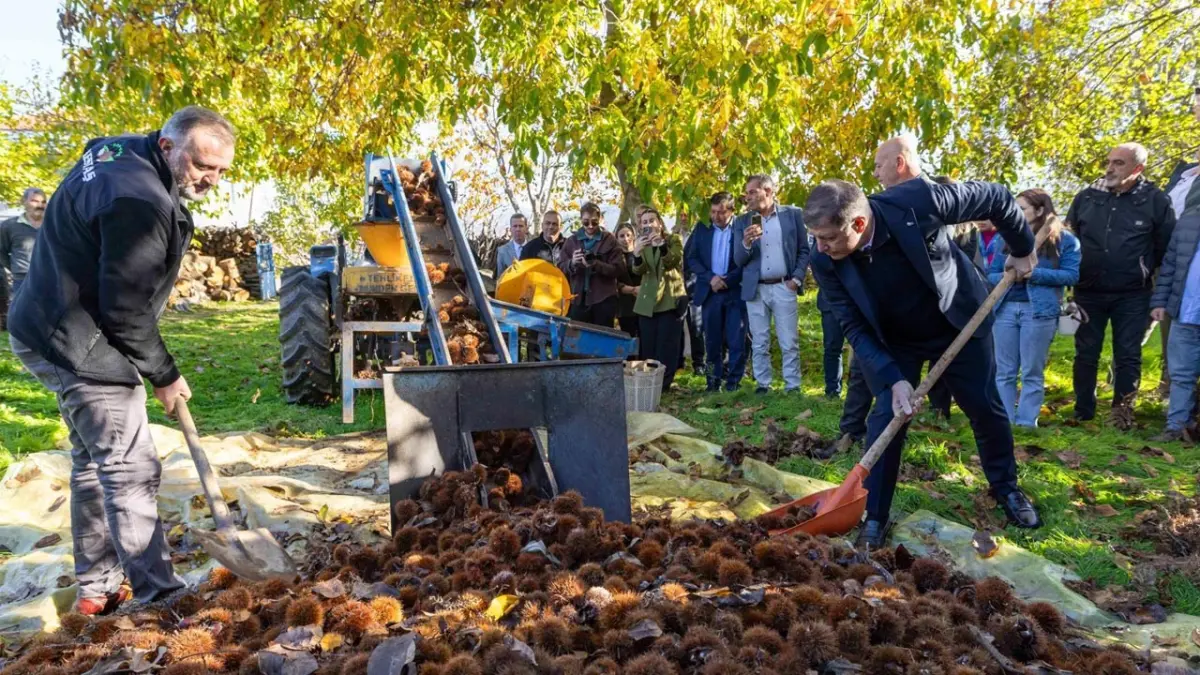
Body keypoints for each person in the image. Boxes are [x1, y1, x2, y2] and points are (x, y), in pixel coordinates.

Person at [7, 105, 236, 613]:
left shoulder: (116, 149)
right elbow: (125, 308)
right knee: (130, 463)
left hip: (43, 323)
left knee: (95, 461)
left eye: (221, 171)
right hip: (76, 340)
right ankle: (159, 595)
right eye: (202, 166)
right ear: (168, 146)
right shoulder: (139, 200)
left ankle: (97, 589)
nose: (211, 180)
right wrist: (164, 374)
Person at [805, 177, 1042, 548]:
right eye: (816, 238)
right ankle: (875, 514)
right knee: (887, 416)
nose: (819, 247)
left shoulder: (920, 200)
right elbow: (853, 324)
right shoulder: (823, 258)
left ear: (859, 224)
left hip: (957, 321)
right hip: (895, 340)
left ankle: (1005, 488)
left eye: (828, 239)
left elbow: (995, 197)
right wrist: (892, 379)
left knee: (984, 406)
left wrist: (1023, 246)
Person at [1067, 142, 1175, 426]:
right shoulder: (1087, 197)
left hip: (1133, 294)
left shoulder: (1156, 201)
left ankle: (1122, 413)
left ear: (1138, 169)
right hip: (1088, 290)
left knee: (1128, 354)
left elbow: (1165, 250)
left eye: (1119, 163)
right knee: (1085, 352)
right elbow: (1069, 240)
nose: (1110, 168)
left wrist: (1159, 294)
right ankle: (1083, 411)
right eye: (1109, 161)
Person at [987, 189, 1081, 427]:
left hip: (1039, 312)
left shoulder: (1065, 240)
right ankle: (1003, 421)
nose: (1016, 213)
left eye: (1022, 209)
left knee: (1031, 371)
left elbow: (1071, 275)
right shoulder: (1004, 238)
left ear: (1040, 210)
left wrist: (1033, 274)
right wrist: (1009, 274)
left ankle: (1027, 422)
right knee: (1004, 371)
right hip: (1005, 309)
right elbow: (990, 274)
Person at [733, 174, 809, 394]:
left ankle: (793, 386)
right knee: (759, 340)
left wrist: (796, 279)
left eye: (751, 192)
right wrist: (746, 243)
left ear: (767, 191)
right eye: (746, 193)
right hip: (755, 288)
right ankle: (763, 384)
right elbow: (738, 260)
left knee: (789, 340)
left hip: (784, 285)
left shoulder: (793, 215)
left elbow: (804, 249)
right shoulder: (742, 221)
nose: (747, 197)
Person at [1149, 147, 1200, 441]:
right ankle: (1175, 427)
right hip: (1185, 308)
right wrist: (1160, 302)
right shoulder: (1188, 221)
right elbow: (1169, 263)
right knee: (1181, 373)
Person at [686, 192, 747, 392]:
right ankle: (712, 381)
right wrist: (710, 277)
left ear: (732, 211)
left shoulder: (741, 228)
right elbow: (692, 258)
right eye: (713, 212)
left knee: (736, 340)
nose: (716, 216)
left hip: (734, 291)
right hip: (710, 292)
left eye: (721, 212)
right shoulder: (702, 228)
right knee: (711, 342)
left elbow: (749, 258)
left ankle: (734, 383)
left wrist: (728, 279)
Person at [631, 206, 686, 391]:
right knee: (648, 345)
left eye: (651, 221)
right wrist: (636, 255)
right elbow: (639, 271)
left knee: (667, 345)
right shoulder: (641, 243)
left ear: (660, 222)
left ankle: (664, 385)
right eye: (644, 222)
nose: (648, 225)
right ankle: (648, 383)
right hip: (647, 301)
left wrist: (661, 245)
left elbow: (673, 262)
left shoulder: (673, 240)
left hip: (669, 299)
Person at [559, 202, 624, 327]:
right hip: (577, 299)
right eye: (586, 222)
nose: (590, 226)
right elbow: (560, 267)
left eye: (594, 222)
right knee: (578, 339)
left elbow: (619, 269)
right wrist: (572, 263)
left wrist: (596, 264)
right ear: (581, 220)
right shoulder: (572, 241)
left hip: (603, 298)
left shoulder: (610, 240)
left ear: (600, 219)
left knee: (602, 339)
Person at [0, 187, 47, 298]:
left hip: (51, 278)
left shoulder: (53, 225)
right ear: (24, 202)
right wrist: (15, 268)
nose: (40, 205)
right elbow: (1, 251)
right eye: (34, 201)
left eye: (43, 202)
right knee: (25, 314)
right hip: (22, 280)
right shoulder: (9, 226)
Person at [677, 212, 706, 376]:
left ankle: (706, 362)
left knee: (701, 326)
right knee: (692, 326)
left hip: (705, 285)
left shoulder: (702, 232)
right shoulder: (675, 233)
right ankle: (695, 363)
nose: (683, 218)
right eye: (681, 215)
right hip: (687, 288)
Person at [614, 222, 641, 338]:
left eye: (628, 235)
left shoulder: (641, 253)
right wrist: (630, 289)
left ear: (634, 236)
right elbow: (612, 279)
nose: (626, 239)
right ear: (617, 238)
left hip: (642, 301)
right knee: (628, 338)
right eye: (622, 236)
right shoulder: (615, 257)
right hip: (625, 305)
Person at [495, 213, 528, 279]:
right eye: (515, 226)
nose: (518, 229)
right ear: (510, 229)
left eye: (521, 226)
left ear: (526, 228)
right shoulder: (502, 251)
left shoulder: (534, 248)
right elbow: (500, 277)